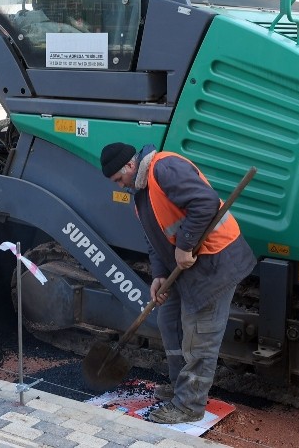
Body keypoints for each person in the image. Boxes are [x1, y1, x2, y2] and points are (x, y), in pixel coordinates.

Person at [99, 142, 256, 425]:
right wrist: (159, 274)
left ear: (129, 167)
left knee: (200, 336)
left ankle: (189, 405)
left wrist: (184, 245)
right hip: (183, 269)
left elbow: (205, 203)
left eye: (118, 179)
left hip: (214, 265)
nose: (120, 185)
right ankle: (179, 385)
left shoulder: (165, 168)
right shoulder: (141, 194)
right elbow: (153, 238)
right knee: (169, 322)